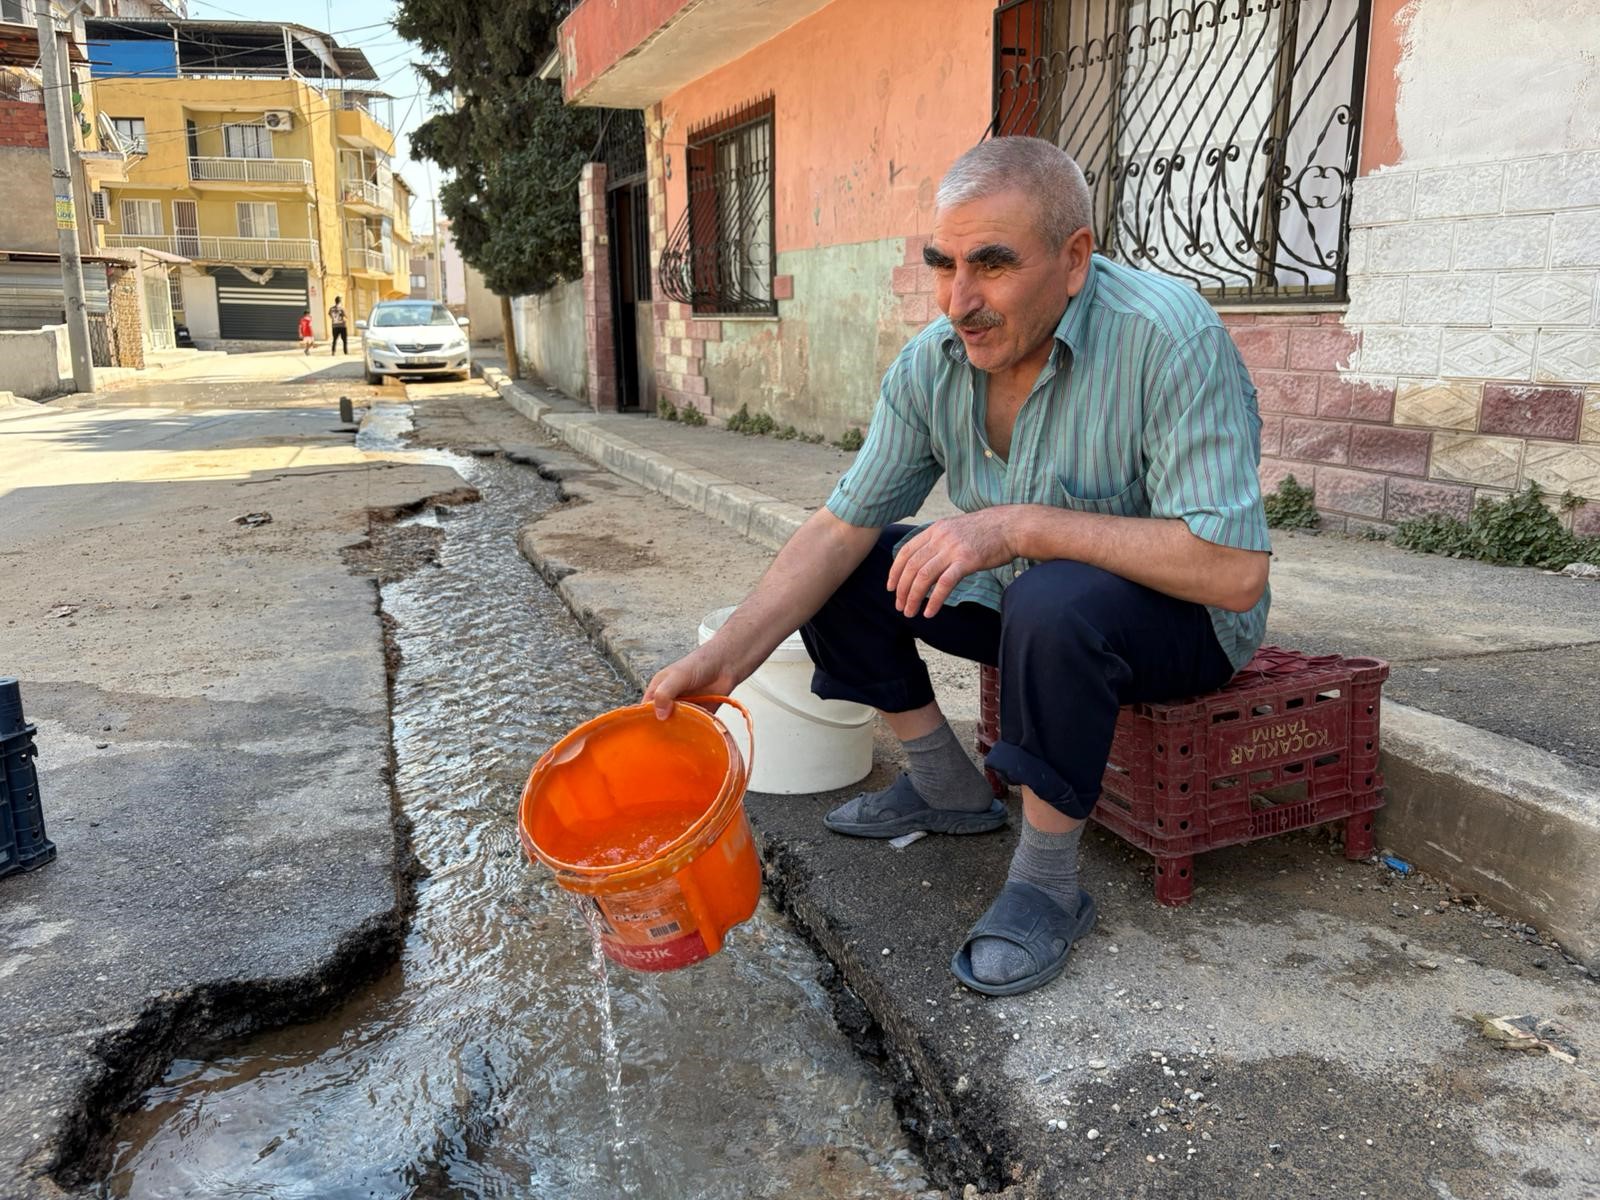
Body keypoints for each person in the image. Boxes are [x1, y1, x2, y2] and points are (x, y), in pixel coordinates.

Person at [645, 137, 1272, 998]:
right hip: (1031, 605)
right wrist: (722, 667)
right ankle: (946, 788)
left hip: (1182, 623)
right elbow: (838, 526)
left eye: (993, 265)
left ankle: (1048, 884)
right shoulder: (934, 364)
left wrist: (1020, 526)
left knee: (1055, 596)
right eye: (944, 264)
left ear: (1075, 258)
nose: (959, 302)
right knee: (857, 562)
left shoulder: (1166, 339)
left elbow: (1233, 570)